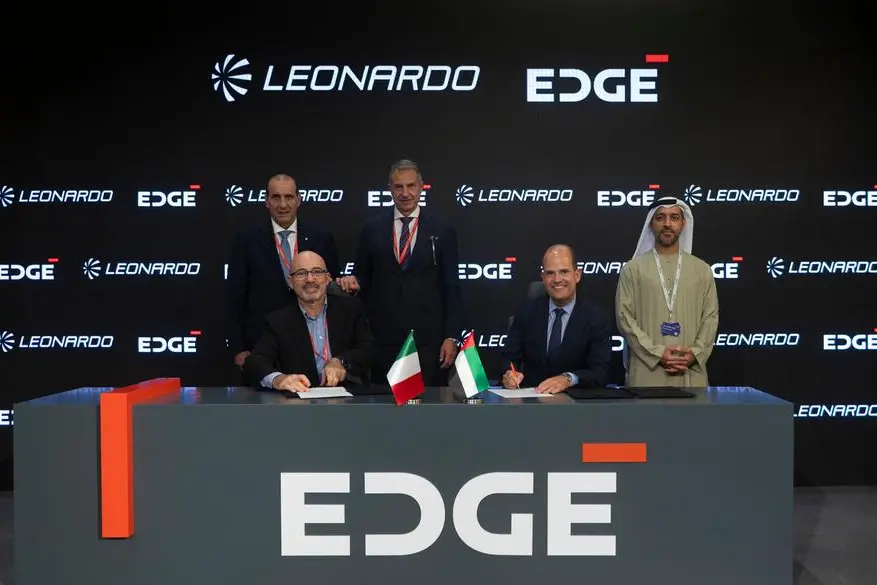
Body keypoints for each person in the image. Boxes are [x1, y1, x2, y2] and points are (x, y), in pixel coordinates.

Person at [336, 159, 463, 386]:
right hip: (383, 339)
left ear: (421, 187)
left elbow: (451, 286)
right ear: (390, 189)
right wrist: (353, 282)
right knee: (386, 405)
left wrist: (451, 336)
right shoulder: (372, 228)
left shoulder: (442, 230)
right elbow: (362, 276)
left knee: (429, 404)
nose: (405, 193)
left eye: (411, 186)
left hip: (428, 341)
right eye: (399, 187)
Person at [225, 173, 341, 371]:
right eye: (276, 197)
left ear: (298, 199)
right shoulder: (246, 241)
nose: (283, 204)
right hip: (262, 346)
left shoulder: (321, 237)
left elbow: (332, 290)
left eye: (288, 197)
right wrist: (239, 348)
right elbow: (235, 297)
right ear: (266, 201)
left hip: (313, 345)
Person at [615, 196, 719, 387]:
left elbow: (710, 318)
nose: (667, 224)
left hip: (690, 373)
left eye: (674, 217)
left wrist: (694, 353)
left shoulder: (702, 270)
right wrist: (657, 353)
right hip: (646, 375)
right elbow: (625, 318)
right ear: (651, 223)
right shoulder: (632, 269)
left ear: (683, 223)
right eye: (660, 217)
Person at [243, 251, 374, 391]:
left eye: (317, 272)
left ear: (327, 278)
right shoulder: (279, 320)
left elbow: (368, 349)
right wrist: (278, 379)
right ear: (291, 282)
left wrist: (341, 361)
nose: (310, 279)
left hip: (348, 395)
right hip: (301, 397)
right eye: (301, 273)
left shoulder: (350, 309)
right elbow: (255, 361)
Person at [500, 245, 612, 393]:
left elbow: (600, 373)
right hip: (532, 399)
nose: (557, 279)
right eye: (550, 273)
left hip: (575, 401)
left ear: (577, 275)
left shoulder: (596, 318)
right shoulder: (527, 312)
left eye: (564, 272)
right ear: (543, 278)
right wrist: (509, 374)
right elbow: (508, 358)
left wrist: (568, 379)